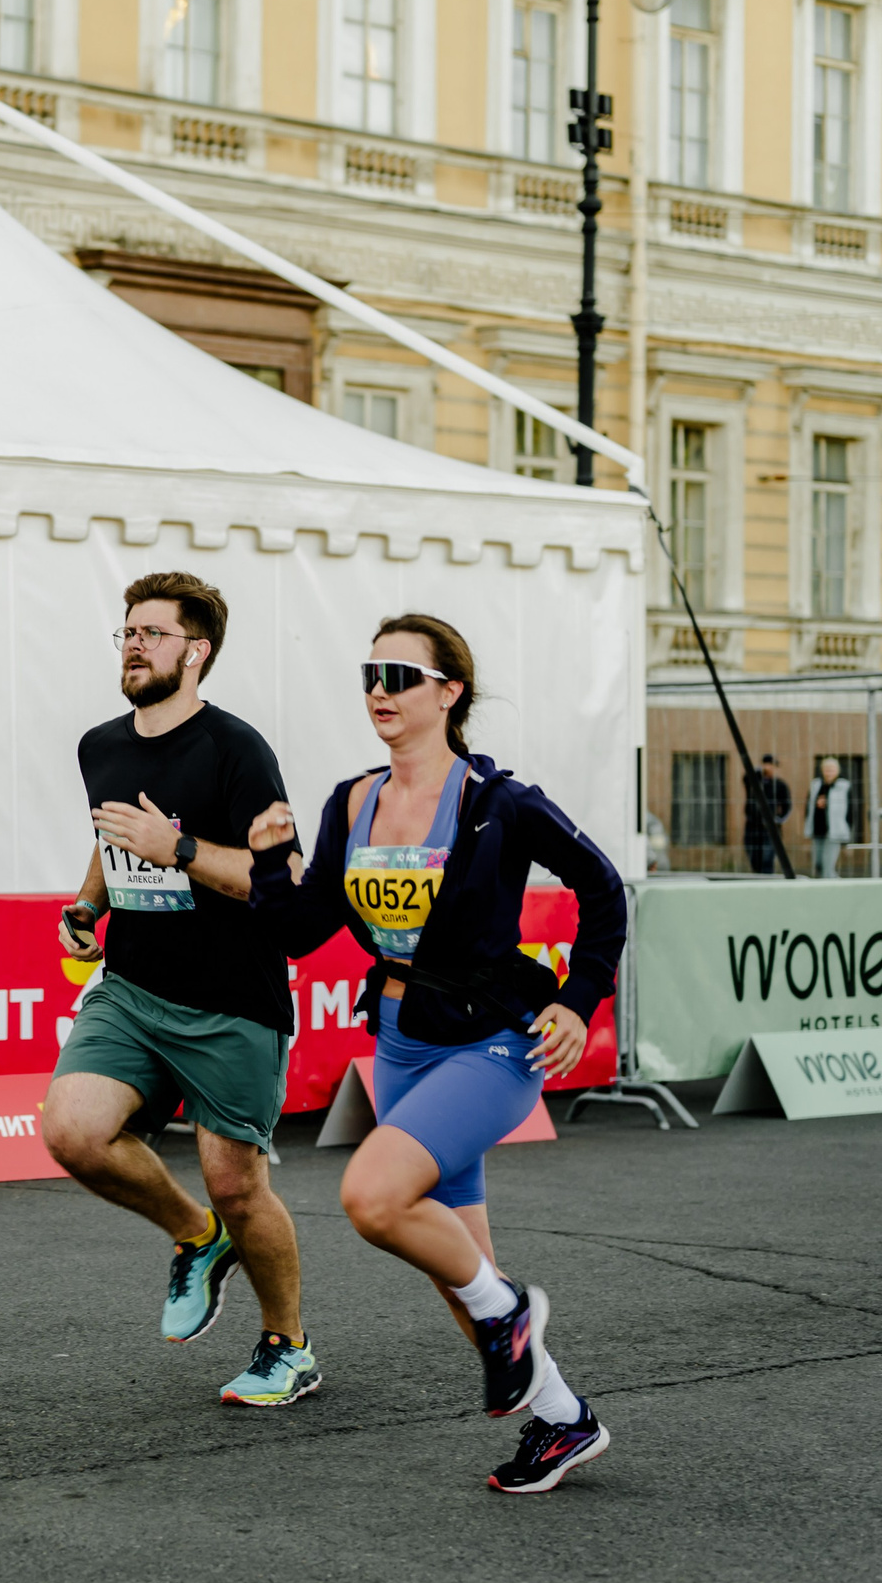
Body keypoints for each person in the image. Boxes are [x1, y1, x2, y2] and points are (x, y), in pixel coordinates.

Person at [246, 613, 627, 1493]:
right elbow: (303, 931)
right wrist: (271, 864)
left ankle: (515, 1313)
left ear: (449, 693)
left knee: (374, 1198)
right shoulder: (351, 799)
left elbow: (602, 890)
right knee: (462, 1277)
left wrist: (578, 998)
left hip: (495, 1040)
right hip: (404, 1043)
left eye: (398, 675)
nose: (378, 690)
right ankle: (565, 1420)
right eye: (369, 674)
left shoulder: (499, 804)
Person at [42, 572, 317, 1409]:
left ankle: (289, 1346)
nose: (132, 643)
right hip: (132, 986)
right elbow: (111, 830)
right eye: (126, 630)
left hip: (232, 998)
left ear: (196, 652)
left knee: (239, 1182)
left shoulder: (237, 749)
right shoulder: (100, 744)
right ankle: (196, 1236)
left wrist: (180, 846)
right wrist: (89, 904)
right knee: (72, 1131)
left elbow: (286, 883)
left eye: (153, 633)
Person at [743, 754, 791, 875]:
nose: (770, 768)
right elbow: (746, 777)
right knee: (754, 856)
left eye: (773, 766)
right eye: (768, 765)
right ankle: (757, 880)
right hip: (752, 825)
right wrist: (760, 770)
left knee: (767, 859)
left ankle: (767, 880)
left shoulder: (780, 785)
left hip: (770, 828)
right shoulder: (754, 781)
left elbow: (787, 806)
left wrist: (778, 820)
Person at [806, 756, 851, 879]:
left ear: (837, 771)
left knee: (828, 865)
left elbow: (851, 811)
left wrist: (847, 835)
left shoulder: (843, 786)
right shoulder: (816, 785)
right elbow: (808, 807)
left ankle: (832, 887)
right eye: (826, 769)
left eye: (832, 769)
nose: (829, 772)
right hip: (818, 829)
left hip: (834, 831)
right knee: (818, 863)